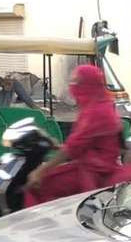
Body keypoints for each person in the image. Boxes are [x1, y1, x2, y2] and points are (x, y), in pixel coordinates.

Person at [24, 64, 124, 207]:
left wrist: (39, 172)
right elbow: (83, 144)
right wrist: (56, 146)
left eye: (78, 82)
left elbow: (72, 148)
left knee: (36, 185)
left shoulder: (96, 112)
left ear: (89, 85)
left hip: (95, 172)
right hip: (93, 166)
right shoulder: (100, 104)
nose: (73, 87)